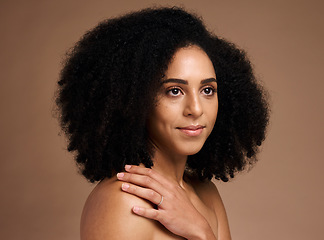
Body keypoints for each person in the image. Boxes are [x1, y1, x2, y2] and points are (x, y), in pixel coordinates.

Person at [56, 7, 269, 240]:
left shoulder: (206, 193)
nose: (196, 109)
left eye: (208, 90)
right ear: (135, 100)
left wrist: (202, 232)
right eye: (174, 91)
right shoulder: (123, 201)